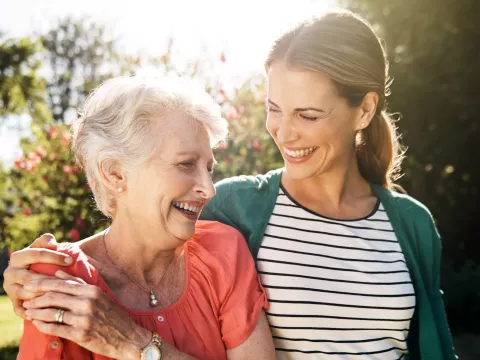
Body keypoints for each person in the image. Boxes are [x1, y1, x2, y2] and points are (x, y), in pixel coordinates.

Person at [3, 10, 456, 360]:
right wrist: (36, 271)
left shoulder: (411, 224)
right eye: (274, 108)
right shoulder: (239, 209)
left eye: (308, 115)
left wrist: (139, 345)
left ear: (364, 110)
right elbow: (140, 231)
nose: (283, 132)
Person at [11, 75, 276, 360]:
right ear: (115, 173)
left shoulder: (221, 251)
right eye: (186, 164)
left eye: (208, 168)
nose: (209, 189)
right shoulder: (63, 279)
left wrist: (137, 344)